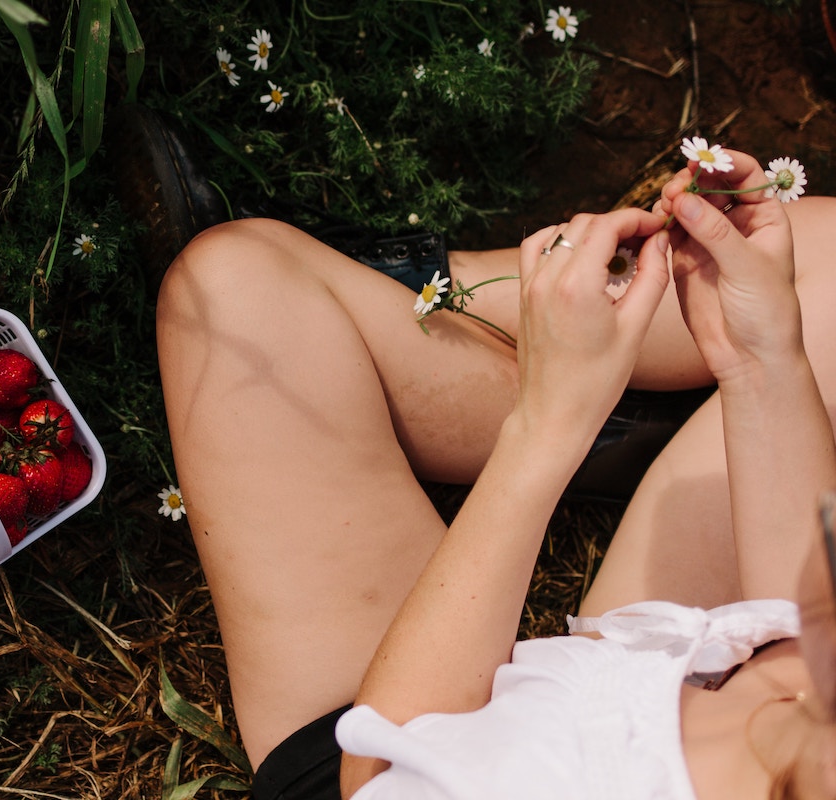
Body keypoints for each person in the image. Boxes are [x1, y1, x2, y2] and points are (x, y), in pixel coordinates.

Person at [154, 145, 836, 799]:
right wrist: (759, 360)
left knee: (227, 300)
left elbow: (379, 766)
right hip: (649, 677)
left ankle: (485, 330)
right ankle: (458, 303)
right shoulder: (817, 698)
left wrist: (548, 425)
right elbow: (799, 627)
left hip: (394, 744)